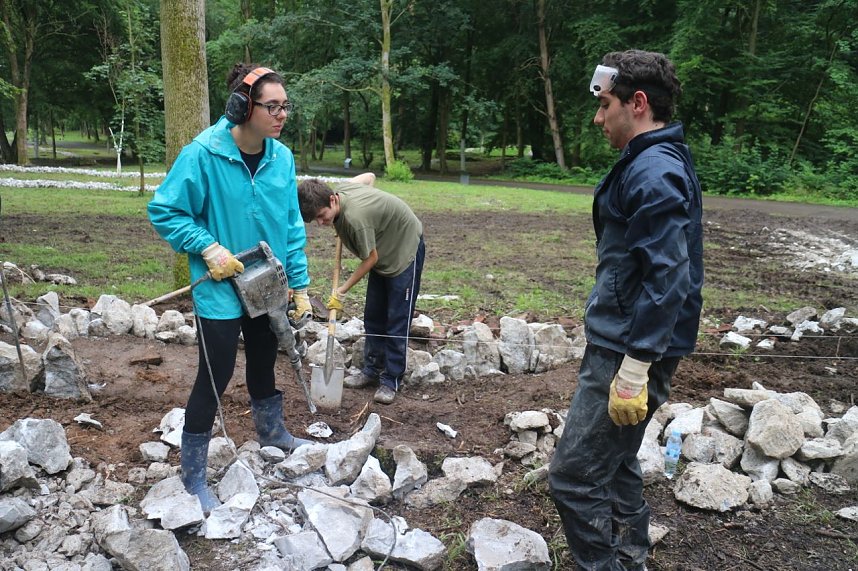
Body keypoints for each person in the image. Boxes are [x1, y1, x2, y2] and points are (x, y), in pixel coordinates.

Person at [548, 50, 704, 570]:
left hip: (629, 349)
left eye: (605, 105)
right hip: (629, 339)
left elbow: (669, 276)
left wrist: (635, 369)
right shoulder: (648, 161)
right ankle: (631, 556)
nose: (598, 118)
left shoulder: (655, 171)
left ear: (637, 103)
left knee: (572, 477)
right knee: (615, 464)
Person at [148, 63, 312, 514]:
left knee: (264, 359)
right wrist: (207, 247)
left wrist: (298, 286)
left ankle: (272, 432)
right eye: (272, 106)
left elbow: (292, 226)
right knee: (215, 374)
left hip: (266, 283)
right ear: (242, 107)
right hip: (221, 286)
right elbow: (165, 210)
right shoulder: (203, 153)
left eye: (285, 106)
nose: (282, 115)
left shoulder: (282, 157)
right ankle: (194, 471)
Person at [297, 174, 424, 405]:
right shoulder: (341, 191)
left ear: (333, 200)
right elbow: (369, 177)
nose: (321, 223)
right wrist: (371, 203)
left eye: (322, 217)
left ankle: (391, 380)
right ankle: (371, 370)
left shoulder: (357, 220)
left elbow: (370, 259)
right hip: (381, 249)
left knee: (397, 318)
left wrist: (342, 291)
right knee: (373, 315)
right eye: (315, 220)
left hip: (403, 250)